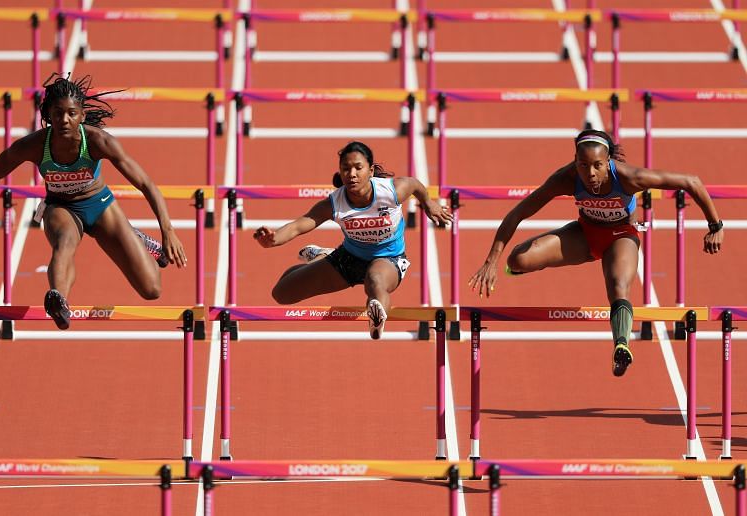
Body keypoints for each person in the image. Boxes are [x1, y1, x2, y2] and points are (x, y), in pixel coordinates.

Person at [468, 129, 723, 377]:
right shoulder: (565, 178)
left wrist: (715, 226)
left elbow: (692, 181)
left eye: (597, 165)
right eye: (583, 165)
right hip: (585, 234)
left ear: (608, 160)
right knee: (518, 258)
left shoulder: (628, 177)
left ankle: (621, 345)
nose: (590, 173)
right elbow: (518, 213)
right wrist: (492, 261)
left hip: (621, 237)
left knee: (618, 286)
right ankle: (518, 266)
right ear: (575, 162)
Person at [0, 74, 187, 330]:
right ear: (48, 114)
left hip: (100, 204)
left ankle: (137, 237)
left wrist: (168, 230)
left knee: (152, 289)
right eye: (58, 113)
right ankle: (58, 299)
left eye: (71, 113)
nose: (64, 120)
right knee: (65, 242)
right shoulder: (35, 145)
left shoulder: (98, 142)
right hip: (60, 207)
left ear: (82, 115)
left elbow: (146, 183)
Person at [253, 141, 453, 339]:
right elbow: (298, 225)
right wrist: (273, 239)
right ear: (340, 172)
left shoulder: (392, 191)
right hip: (349, 259)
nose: (352, 174)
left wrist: (428, 203)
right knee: (282, 293)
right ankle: (324, 256)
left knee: (375, 282)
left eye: (358, 168)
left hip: (388, 259)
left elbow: (414, 184)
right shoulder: (334, 203)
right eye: (346, 169)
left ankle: (377, 318)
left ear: (371, 170)